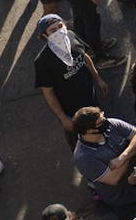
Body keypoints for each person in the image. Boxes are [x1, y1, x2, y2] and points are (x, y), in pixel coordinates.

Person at [35, 14, 112, 146]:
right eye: (53, 30)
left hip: (90, 98)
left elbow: (85, 56)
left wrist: (98, 78)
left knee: (100, 126)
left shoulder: (71, 35)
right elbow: (48, 92)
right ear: (44, 36)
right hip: (71, 110)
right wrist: (63, 118)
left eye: (60, 26)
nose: (59, 32)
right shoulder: (43, 61)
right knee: (80, 140)